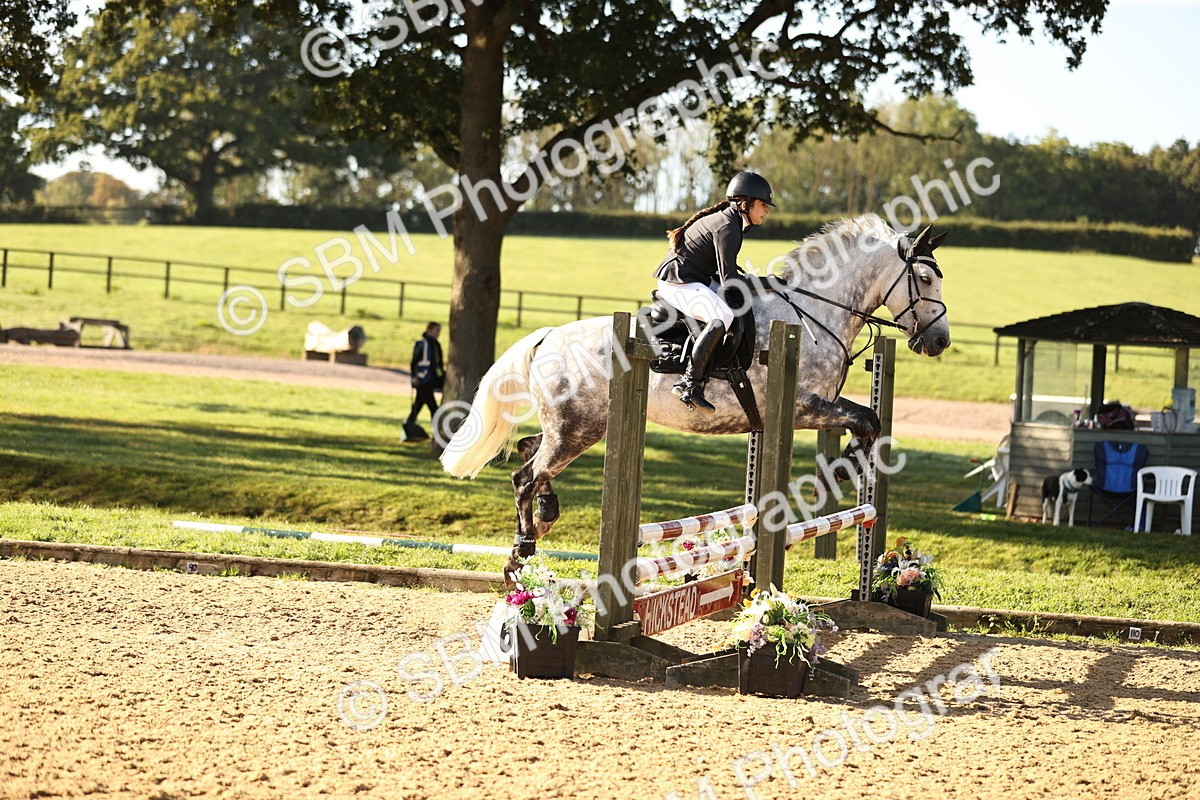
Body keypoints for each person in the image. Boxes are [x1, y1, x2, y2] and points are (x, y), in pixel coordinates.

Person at [653, 171, 774, 412]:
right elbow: (729, 280)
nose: (767, 210)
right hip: (680, 283)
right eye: (763, 204)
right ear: (744, 203)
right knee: (722, 317)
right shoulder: (728, 227)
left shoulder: (732, 223)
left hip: (696, 278)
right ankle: (689, 383)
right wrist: (764, 283)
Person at [404, 322, 444, 440]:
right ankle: (436, 435)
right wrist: (414, 377)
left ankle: (408, 428)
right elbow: (414, 362)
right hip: (423, 381)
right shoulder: (422, 344)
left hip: (432, 380)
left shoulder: (436, 344)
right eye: (436, 330)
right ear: (429, 330)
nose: (438, 333)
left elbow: (438, 364)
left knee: (417, 407)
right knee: (433, 408)